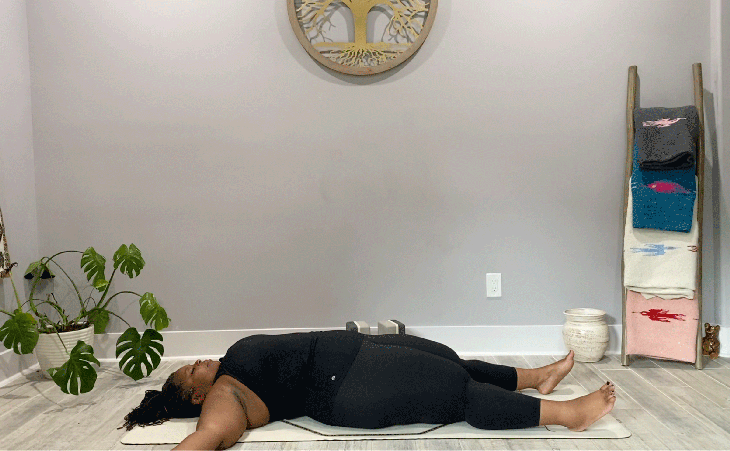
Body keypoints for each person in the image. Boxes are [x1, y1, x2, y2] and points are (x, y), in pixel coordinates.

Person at [119, 330, 616, 450]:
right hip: (348, 388)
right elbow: (207, 440)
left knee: (447, 359)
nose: (199, 362)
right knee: (451, 389)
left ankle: (537, 378)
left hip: (356, 353)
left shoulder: (228, 365)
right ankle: (566, 414)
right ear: (198, 396)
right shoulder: (227, 394)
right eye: (191, 373)